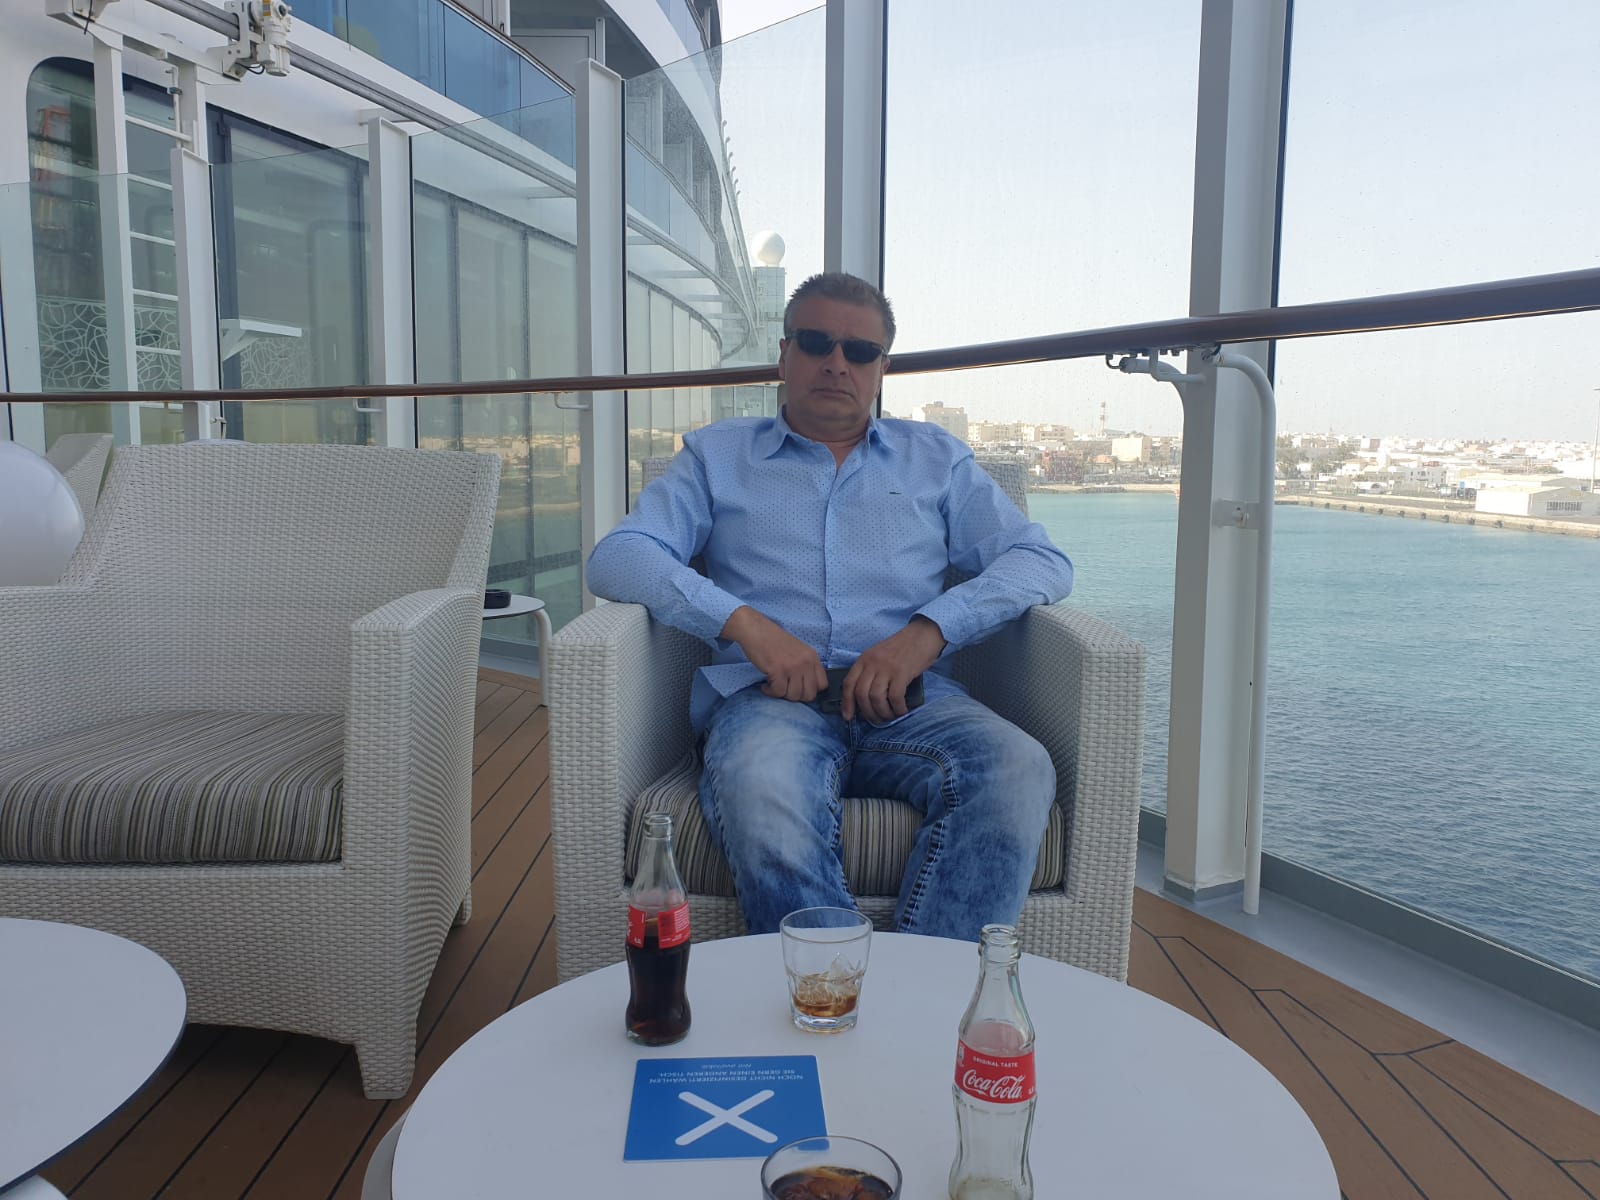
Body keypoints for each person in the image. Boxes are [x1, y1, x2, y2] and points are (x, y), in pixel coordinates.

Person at [586, 272, 1073, 940]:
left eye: (860, 351)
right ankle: (829, 979)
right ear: (784, 355)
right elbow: (618, 556)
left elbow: (1042, 560)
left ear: (882, 368)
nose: (837, 363)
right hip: (769, 702)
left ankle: (930, 986)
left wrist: (928, 633)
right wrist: (744, 625)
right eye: (816, 343)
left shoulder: (937, 459)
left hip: (913, 703)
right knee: (763, 785)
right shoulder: (717, 455)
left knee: (1017, 766)